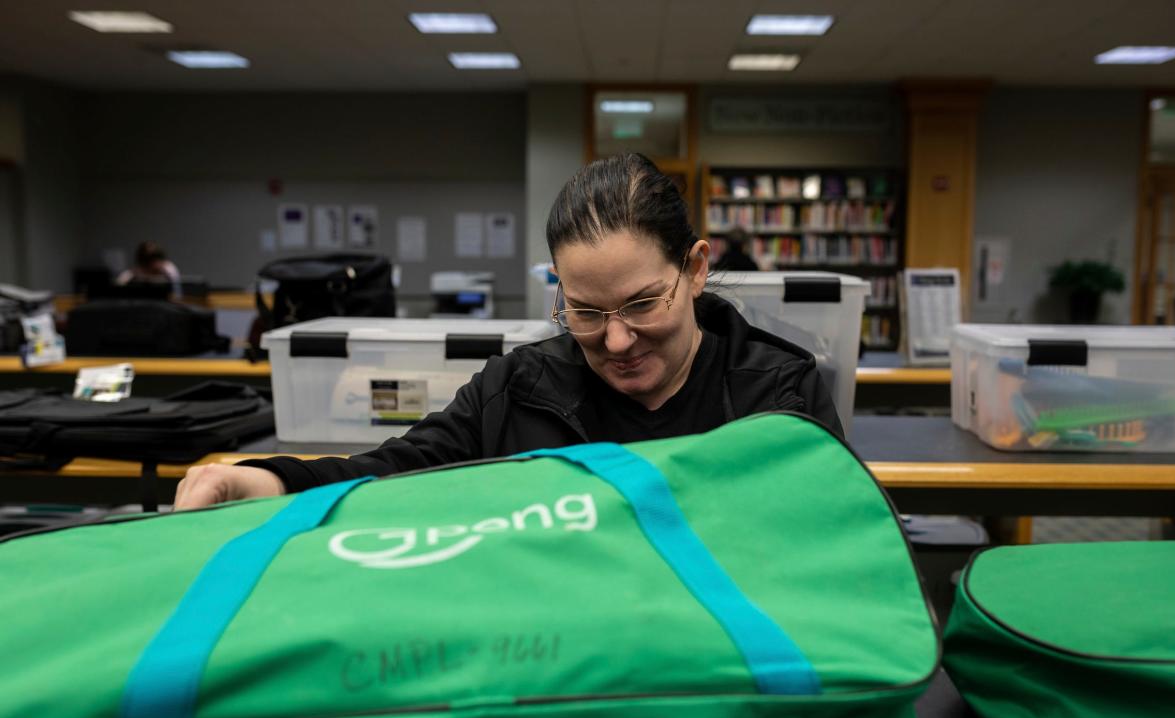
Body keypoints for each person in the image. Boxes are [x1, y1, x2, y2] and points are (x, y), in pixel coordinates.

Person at [174, 153, 841, 510]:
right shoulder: (517, 390)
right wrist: (257, 480)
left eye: (642, 305)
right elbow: (387, 474)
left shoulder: (778, 395)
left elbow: (842, 546)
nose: (616, 341)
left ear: (696, 270)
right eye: (585, 311)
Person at [116, 241, 181, 294]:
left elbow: (177, 291)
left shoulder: (168, 268)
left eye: (156, 258)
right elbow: (120, 281)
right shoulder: (138, 270)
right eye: (150, 260)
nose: (155, 264)